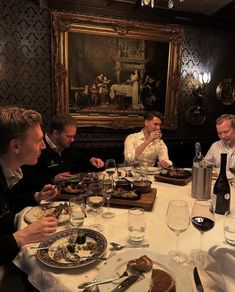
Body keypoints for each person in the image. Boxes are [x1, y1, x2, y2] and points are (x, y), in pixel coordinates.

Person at [0, 107, 58, 287]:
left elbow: (7, 206)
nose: (44, 146)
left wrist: (36, 197)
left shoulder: (11, 171)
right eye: (39, 140)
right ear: (15, 146)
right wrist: (20, 237)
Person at [21, 113, 104, 191]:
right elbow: (26, 182)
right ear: (55, 133)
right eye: (68, 136)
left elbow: (79, 157)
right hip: (45, 197)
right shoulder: (38, 149)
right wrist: (53, 179)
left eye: (73, 136)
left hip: (69, 193)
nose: (72, 140)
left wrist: (92, 160)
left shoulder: (66, 145)